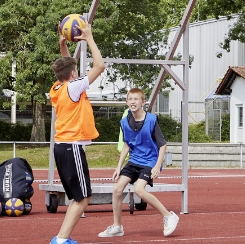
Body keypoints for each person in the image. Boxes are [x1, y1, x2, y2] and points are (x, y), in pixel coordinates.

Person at [49, 23, 105, 244]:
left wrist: (63, 44)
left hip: (62, 146)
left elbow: (66, 67)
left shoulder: (57, 87)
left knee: (78, 197)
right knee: (83, 198)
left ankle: (62, 238)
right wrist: (89, 38)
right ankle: (62, 240)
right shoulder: (74, 87)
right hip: (71, 147)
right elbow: (99, 66)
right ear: (73, 74)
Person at [97, 88, 180, 237]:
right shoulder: (124, 122)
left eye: (136, 99)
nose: (133, 101)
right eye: (130, 99)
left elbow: (163, 145)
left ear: (143, 103)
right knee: (117, 189)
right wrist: (119, 166)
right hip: (134, 160)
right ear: (127, 102)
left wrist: (157, 166)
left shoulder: (151, 120)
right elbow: (126, 145)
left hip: (149, 161)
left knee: (139, 190)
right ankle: (117, 227)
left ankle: (169, 215)